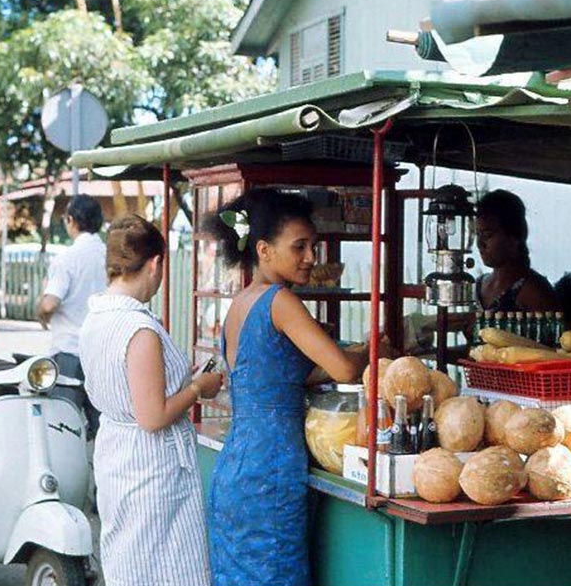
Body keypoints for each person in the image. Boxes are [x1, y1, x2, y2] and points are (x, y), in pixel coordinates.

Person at [205, 189, 365, 586]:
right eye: (300, 247)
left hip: (236, 465)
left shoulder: (241, 302)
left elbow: (277, 375)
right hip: (271, 467)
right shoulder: (281, 301)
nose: (312, 257)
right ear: (263, 249)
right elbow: (344, 369)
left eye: (314, 245)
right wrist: (372, 350)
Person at [80, 215, 223, 586]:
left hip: (117, 457)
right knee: (163, 568)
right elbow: (152, 416)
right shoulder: (138, 328)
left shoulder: (96, 316)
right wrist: (196, 389)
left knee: (131, 563)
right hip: (151, 469)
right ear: (156, 263)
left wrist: (178, 378)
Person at [36, 195, 107, 438]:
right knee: (103, 425)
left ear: (71, 220)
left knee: (64, 425)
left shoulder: (67, 258)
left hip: (70, 351)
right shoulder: (108, 255)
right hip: (102, 350)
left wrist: (40, 307)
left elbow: (50, 303)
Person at [475, 189, 559, 313]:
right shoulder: (478, 285)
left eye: (488, 235)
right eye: (478, 234)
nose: (479, 244)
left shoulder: (534, 291)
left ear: (513, 238)